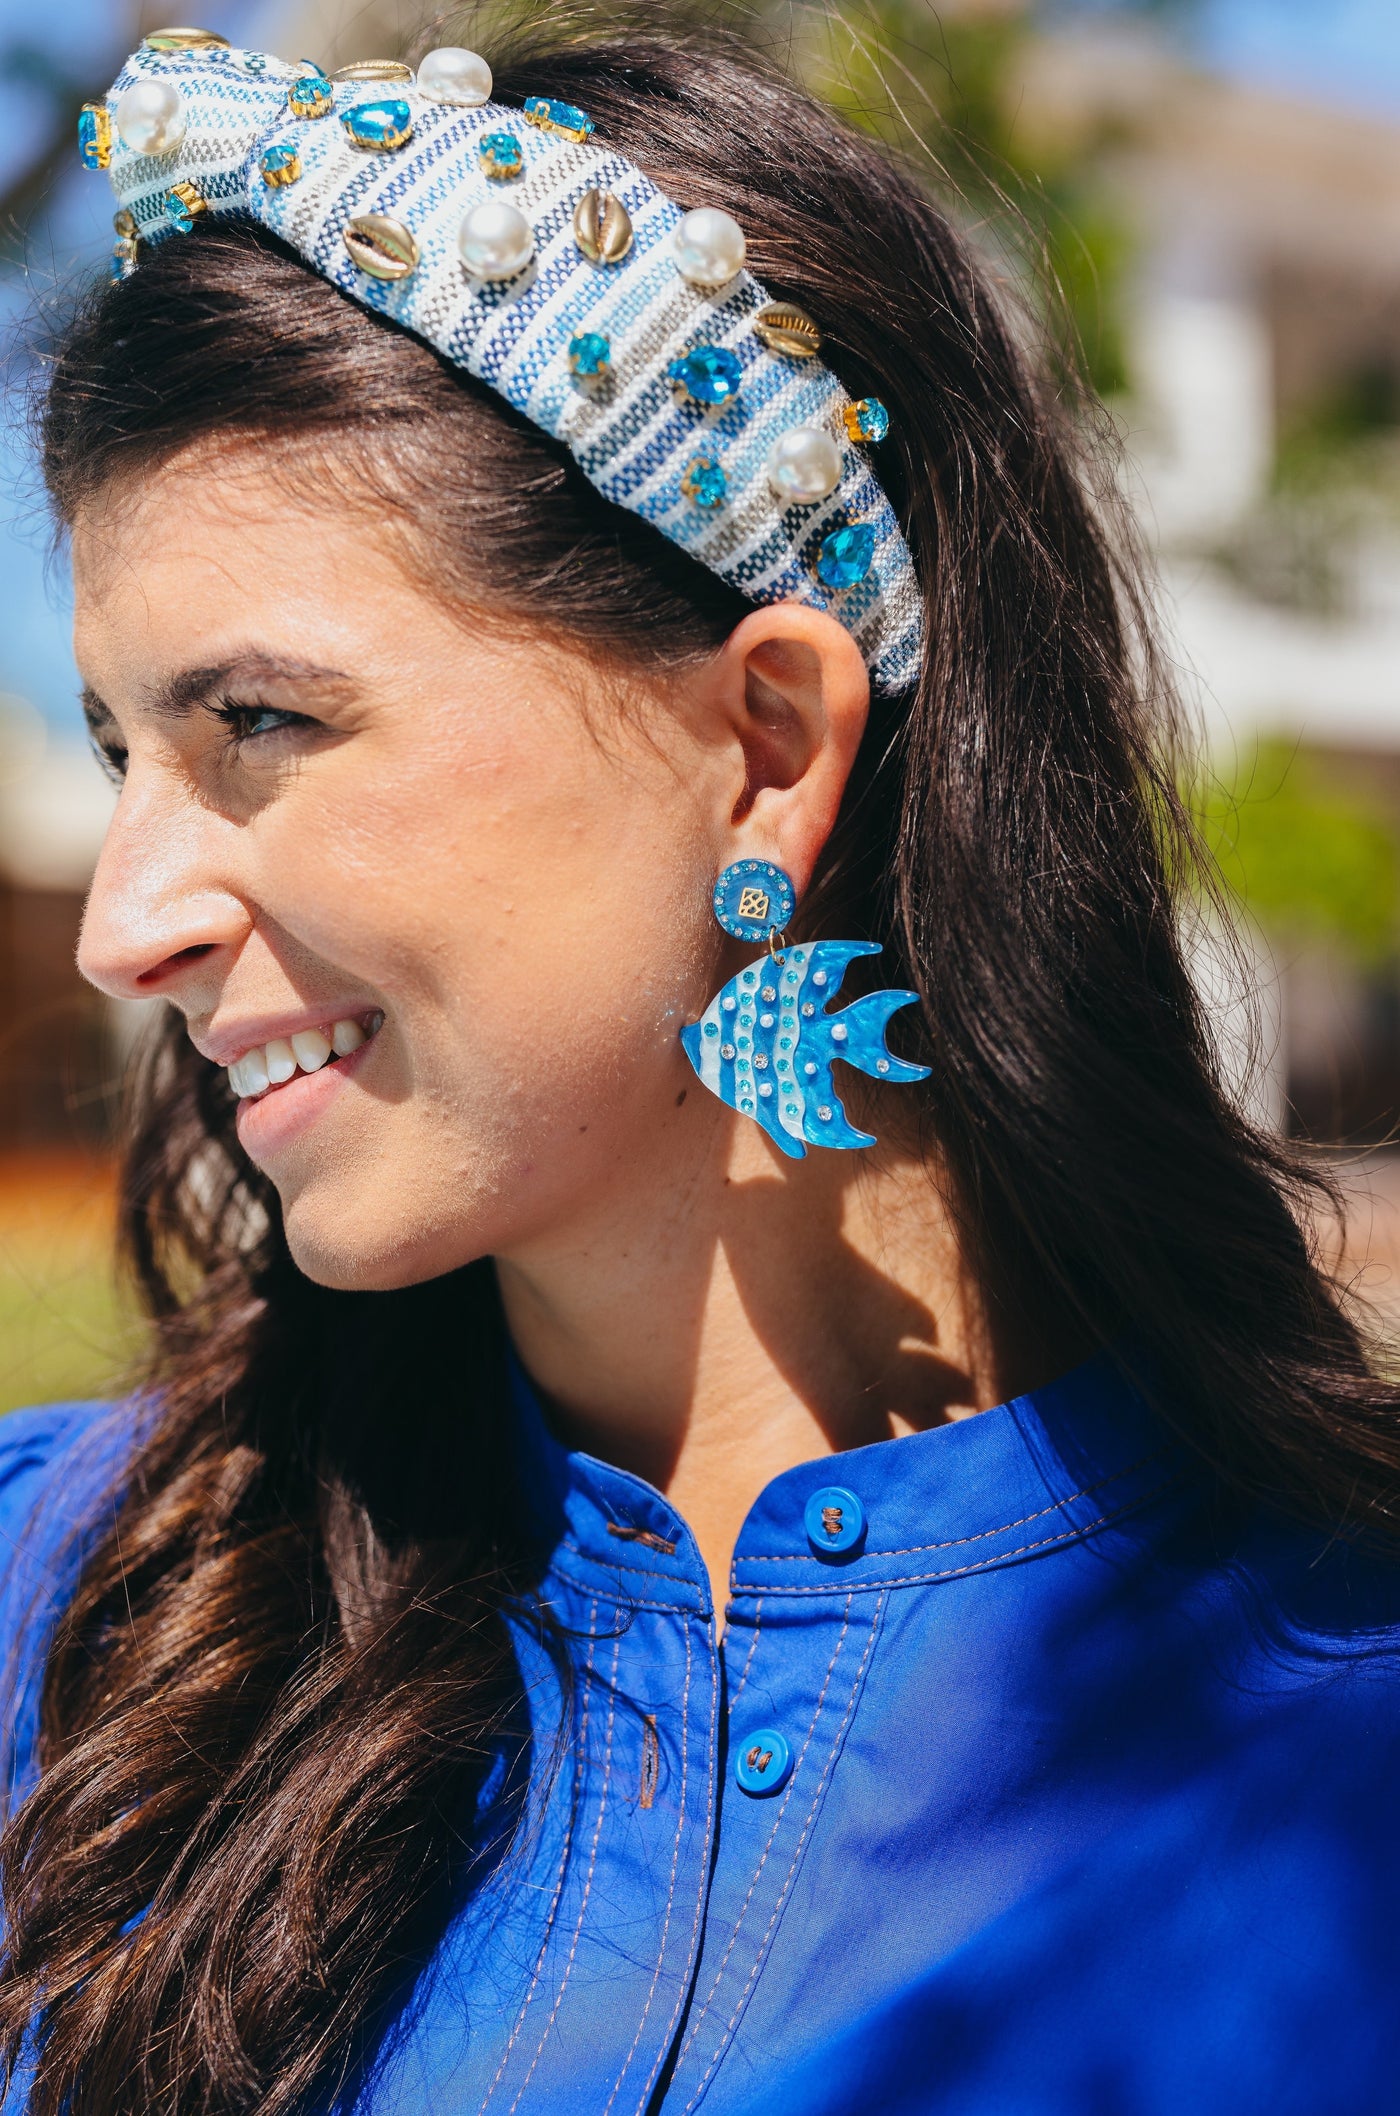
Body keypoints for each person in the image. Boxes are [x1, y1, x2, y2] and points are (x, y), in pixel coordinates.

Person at [1, 14, 1398, 2116]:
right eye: (124, 754)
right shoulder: (67, 1617)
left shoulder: (1335, 1742)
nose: (131, 920)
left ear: (764, 744)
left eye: (259, 726)